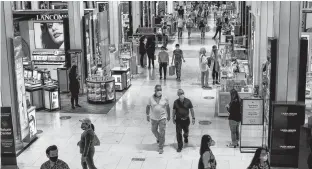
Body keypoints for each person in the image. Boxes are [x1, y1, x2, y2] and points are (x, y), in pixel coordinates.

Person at [146, 85, 170, 154]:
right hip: (153, 118)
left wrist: (168, 116)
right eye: (158, 90)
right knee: (153, 130)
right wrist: (147, 115)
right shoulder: (150, 98)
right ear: (155, 91)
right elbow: (147, 107)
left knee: (162, 132)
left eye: (160, 90)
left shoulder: (165, 98)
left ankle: (161, 147)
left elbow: (168, 107)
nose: (160, 91)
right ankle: (160, 139)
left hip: (162, 118)